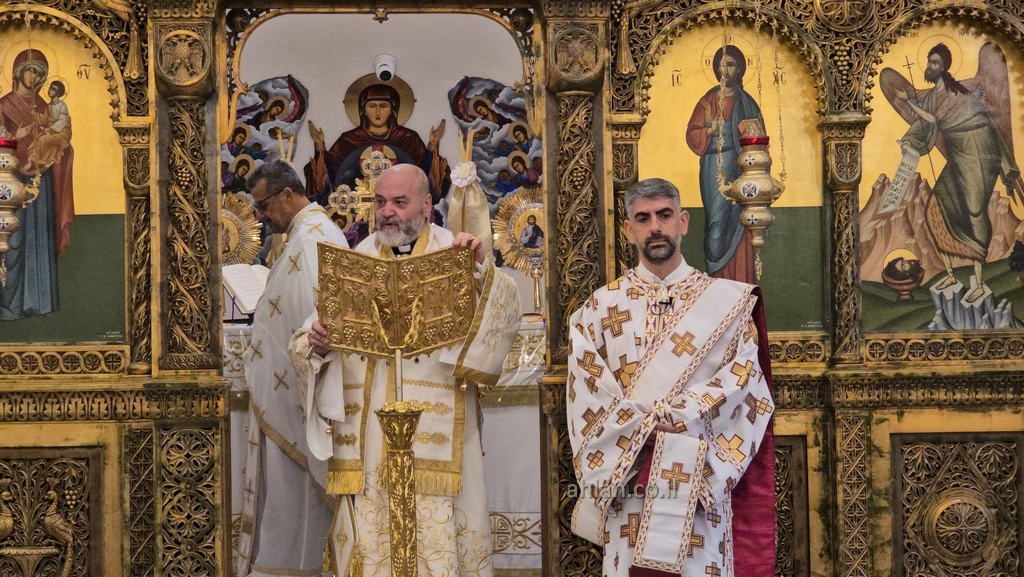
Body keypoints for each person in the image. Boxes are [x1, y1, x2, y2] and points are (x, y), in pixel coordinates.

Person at [291, 164, 522, 576]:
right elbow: (307, 337)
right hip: (372, 437)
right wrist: (317, 343)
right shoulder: (356, 260)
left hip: (440, 430)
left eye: (400, 202)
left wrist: (481, 269)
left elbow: (502, 312)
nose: (387, 212)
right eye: (381, 202)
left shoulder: (456, 252)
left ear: (427, 205)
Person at [566, 178, 775, 577]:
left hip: (697, 476)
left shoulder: (728, 304)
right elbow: (586, 396)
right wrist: (641, 429)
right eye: (643, 219)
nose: (655, 227)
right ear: (629, 230)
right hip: (631, 484)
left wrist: (682, 418)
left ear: (683, 221)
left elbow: (746, 386)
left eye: (664, 215)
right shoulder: (598, 309)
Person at [236, 160, 349, 577]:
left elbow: (315, 317)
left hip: (301, 393)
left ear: (287, 194)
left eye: (264, 205)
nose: (260, 216)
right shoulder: (307, 234)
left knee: (298, 493)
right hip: (291, 386)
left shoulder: (313, 238)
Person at [893, 43, 1020, 302]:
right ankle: (951, 273)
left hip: (979, 149)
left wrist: (907, 102)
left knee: (974, 211)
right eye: (929, 62)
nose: (930, 66)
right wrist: (908, 141)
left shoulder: (960, 91)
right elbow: (926, 123)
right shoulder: (932, 96)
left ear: (944, 67)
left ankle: (979, 283)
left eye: (935, 63)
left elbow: (931, 119)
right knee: (937, 205)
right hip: (957, 152)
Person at [0, 50, 74, 321]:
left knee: (40, 240)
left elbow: (60, 137)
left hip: (42, 183)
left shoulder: (45, 107)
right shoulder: (4, 105)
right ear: (19, 72)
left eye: (39, 73)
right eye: (30, 70)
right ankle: (10, 307)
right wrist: (14, 136)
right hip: (10, 183)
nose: (34, 77)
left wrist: (60, 147)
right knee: (14, 242)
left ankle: (39, 303)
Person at [304, 84, 451, 212]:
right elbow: (330, 176)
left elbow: (423, 176)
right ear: (363, 110)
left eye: (383, 106)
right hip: (359, 209)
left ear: (393, 110)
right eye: (372, 106)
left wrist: (433, 146)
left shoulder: (408, 139)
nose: (378, 113)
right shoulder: (349, 140)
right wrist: (319, 146)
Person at [686, 45, 762, 283]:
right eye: (721, 65)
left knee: (741, 222)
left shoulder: (747, 103)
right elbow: (692, 134)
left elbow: (757, 140)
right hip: (714, 166)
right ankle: (716, 281)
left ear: (740, 69)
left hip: (742, 167)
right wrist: (711, 131)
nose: (725, 70)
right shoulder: (709, 100)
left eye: (730, 65)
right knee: (716, 226)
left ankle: (741, 280)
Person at [25, 81, 71, 173]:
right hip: (52, 131)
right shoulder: (49, 105)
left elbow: (62, 121)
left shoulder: (62, 106)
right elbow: (46, 120)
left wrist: (50, 128)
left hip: (63, 132)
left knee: (43, 139)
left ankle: (40, 163)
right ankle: (30, 162)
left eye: (53, 89)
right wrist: (36, 114)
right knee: (37, 139)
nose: (49, 90)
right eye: (50, 87)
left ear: (58, 93)